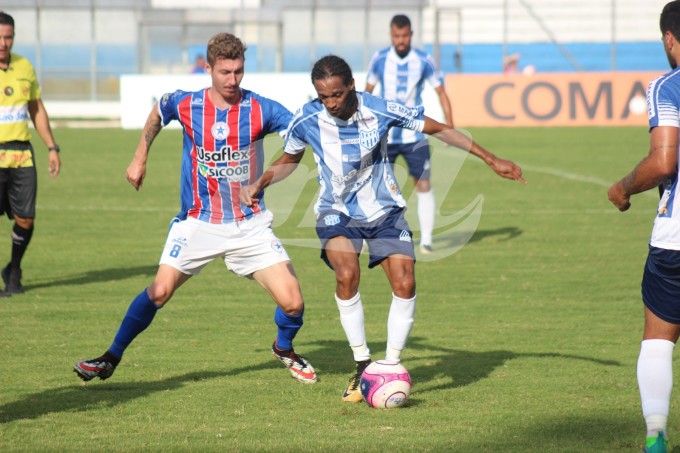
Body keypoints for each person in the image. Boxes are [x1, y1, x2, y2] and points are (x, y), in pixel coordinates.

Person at [241, 55, 525, 403]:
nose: (331, 104)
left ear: (352, 87)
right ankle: (362, 364)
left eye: (337, 95)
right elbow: (289, 160)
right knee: (347, 273)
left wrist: (490, 157)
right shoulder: (308, 118)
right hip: (336, 211)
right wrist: (264, 180)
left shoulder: (380, 109)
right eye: (323, 96)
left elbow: (438, 128)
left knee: (405, 281)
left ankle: (389, 365)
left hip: (384, 210)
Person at [73, 33, 317, 385]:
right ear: (208, 69)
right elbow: (158, 111)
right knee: (159, 291)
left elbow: (297, 147)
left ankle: (283, 348)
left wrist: (262, 181)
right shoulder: (187, 104)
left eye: (238, 72)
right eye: (224, 72)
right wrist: (140, 156)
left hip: (248, 225)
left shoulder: (261, 108)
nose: (232, 80)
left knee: (293, 303)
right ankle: (110, 357)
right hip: (198, 223)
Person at [608, 2, 680, 452]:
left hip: (676, 240)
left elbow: (663, 161)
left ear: (670, 39)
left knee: (658, 338)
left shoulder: (668, 87)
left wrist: (623, 188)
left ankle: (656, 435)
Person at [365, 14, 454, 254]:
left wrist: (449, 126)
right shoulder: (380, 59)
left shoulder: (424, 60)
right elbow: (367, 93)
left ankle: (426, 241)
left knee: (422, 184)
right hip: (385, 135)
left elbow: (441, 92)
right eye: (396, 36)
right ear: (391, 35)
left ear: (411, 35)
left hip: (415, 136)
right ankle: (372, 236)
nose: (401, 40)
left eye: (404, 36)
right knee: (375, 185)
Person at [0, 11, 61, 297]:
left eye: (8, 37)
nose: (3, 43)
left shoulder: (25, 66)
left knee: (26, 218)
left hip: (21, 155)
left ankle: (13, 268)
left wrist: (51, 147)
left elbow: (36, 109)